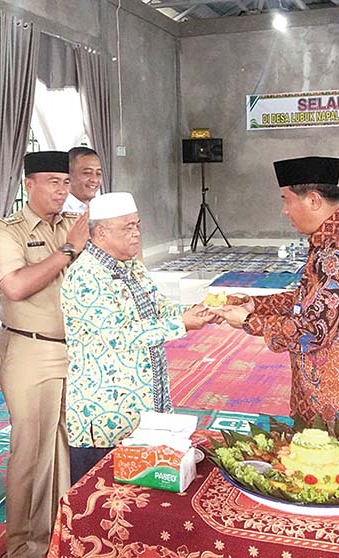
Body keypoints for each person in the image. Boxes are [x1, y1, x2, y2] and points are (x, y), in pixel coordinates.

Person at [213, 156, 339, 438]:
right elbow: (310, 299)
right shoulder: (333, 235)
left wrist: (250, 320)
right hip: (335, 391)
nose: (284, 210)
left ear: (313, 200)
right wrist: (255, 304)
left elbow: (314, 330)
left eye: (287, 200)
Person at [61, 192, 214, 483]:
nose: (136, 234)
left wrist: (195, 311)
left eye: (138, 225)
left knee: (140, 498)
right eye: (127, 227)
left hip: (144, 405)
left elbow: (158, 307)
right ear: (101, 233)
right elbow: (118, 336)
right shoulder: (86, 276)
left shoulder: (130, 266)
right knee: (100, 499)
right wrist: (180, 324)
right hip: (105, 412)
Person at [0, 150, 88, 558]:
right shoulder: (6, 231)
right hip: (31, 348)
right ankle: (24, 548)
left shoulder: (74, 225)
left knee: (66, 448)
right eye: (52, 183)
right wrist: (67, 250)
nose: (62, 191)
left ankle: (59, 537)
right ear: (29, 185)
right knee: (31, 451)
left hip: (75, 351)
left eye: (66, 183)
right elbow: (15, 286)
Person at [62, 146, 102, 214]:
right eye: (87, 173)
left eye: (98, 173)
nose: (94, 180)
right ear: (68, 174)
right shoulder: (59, 210)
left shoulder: (102, 208)